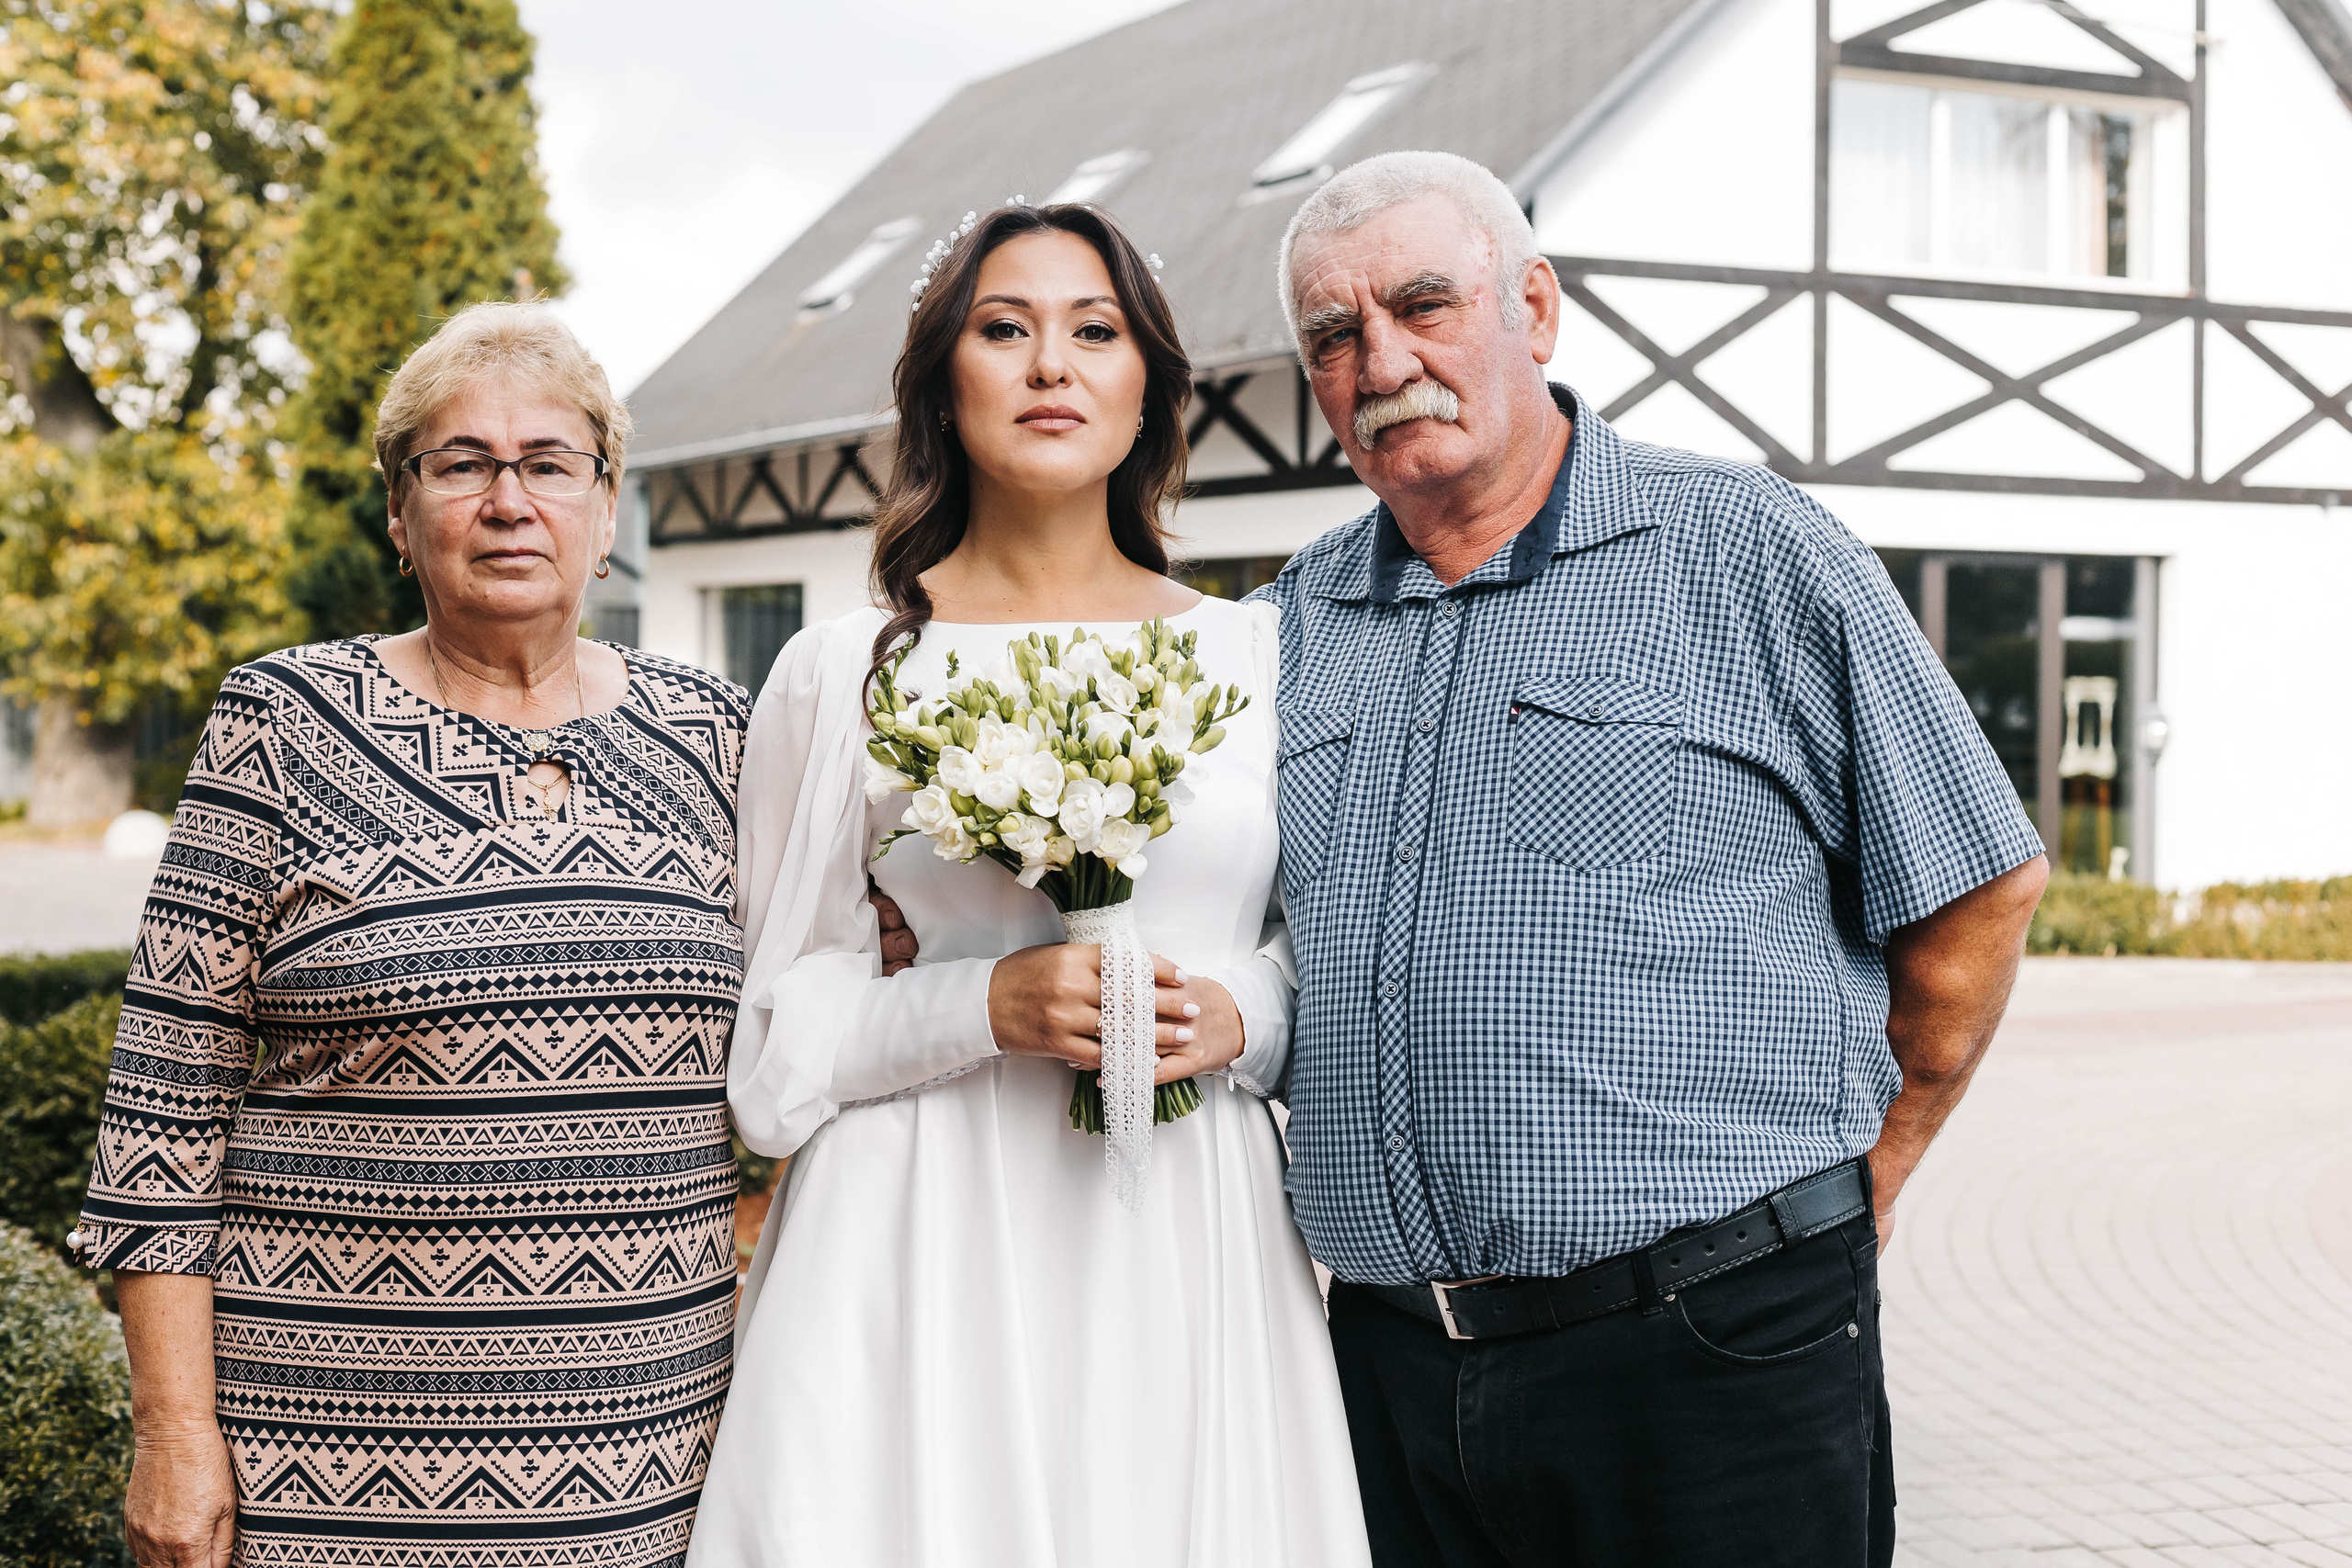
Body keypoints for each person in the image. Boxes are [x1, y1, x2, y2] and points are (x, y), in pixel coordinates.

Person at [1253, 151, 2050, 1566]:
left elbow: (1980, 877)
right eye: (1334, 333)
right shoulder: (1289, 627)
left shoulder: (1747, 549)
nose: (1382, 360)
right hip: (1389, 1370)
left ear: (1536, 309)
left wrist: (1868, 1178)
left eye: (1426, 305)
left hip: (1713, 1351)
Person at [686, 202, 1370, 1566]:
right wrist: (980, 1005)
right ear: (949, 376)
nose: (1051, 364)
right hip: (914, 1241)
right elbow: (770, 1064)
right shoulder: (844, 671)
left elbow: (1340, 957)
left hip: (1180, 1225)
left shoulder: (1265, 659)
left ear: (1148, 388)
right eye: (1006, 330)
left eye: (1095, 332)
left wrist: (1245, 1011)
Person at [73, 303, 749, 1568]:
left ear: (607, 513)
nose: (509, 500)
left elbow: (820, 1015)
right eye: (461, 464)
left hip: (654, 1472)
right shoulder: (281, 719)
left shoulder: (720, 734)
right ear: (401, 514)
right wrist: (173, 1432)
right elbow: (161, 1120)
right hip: (323, 1476)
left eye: (550, 464)